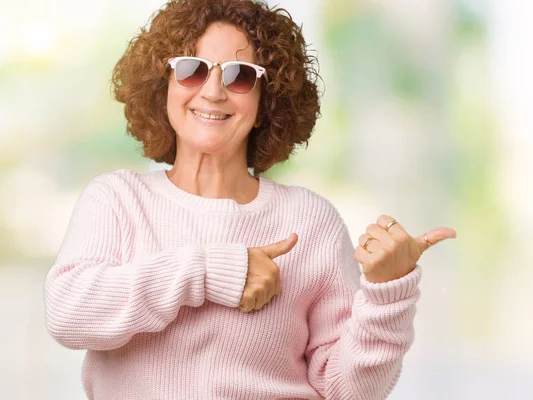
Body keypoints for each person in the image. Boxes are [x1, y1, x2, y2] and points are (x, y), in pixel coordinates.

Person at [44, 0, 456, 398]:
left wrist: (388, 292)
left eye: (240, 76)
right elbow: (68, 314)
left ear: (266, 101)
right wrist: (210, 270)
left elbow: (348, 391)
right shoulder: (117, 201)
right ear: (163, 85)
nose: (213, 91)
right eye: (191, 70)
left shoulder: (310, 221)